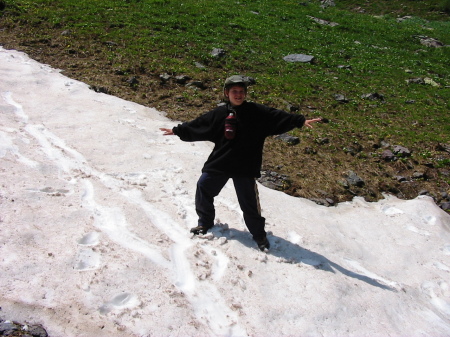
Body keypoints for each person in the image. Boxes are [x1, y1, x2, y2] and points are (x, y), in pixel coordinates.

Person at [160, 75, 323, 251]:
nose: (238, 95)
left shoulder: (257, 112)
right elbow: (200, 125)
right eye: (234, 91)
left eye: (241, 91)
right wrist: (178, 131)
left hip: (245, 167)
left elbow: (277, 117)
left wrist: (300, 121)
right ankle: (205, 223)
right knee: (203, 187)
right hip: (220, 162)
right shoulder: (219, 114)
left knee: (249, 204)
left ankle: (259, 235)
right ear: (226, 93)